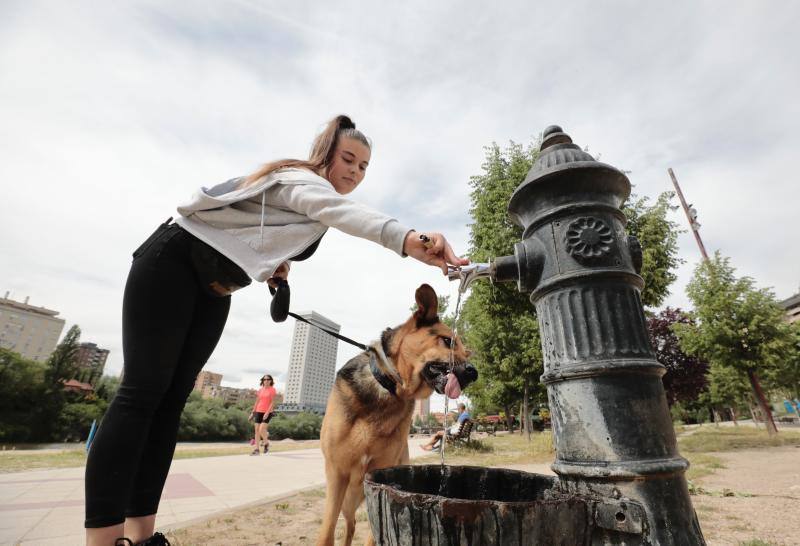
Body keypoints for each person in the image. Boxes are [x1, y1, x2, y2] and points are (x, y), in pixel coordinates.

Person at [83, 114, 470, 546]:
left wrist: (272, 267)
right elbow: (344, 213)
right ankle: (102, 540)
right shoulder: (299, 179)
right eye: (348, 159)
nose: (355, 173)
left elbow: (257, 234)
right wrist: (412, 240)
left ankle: (141, 536)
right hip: (171, 262)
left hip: (215, 287)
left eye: (363, 168)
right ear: (325, 153)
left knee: (171, 402)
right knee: (141, 395)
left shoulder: (311, 204)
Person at [250, 375, 276, 455]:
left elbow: (272, 402)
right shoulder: (260, 390)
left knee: (261, 429)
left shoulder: (272, 390)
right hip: (258, 411)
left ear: (271, 381)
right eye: (265, 379)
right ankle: (257, 449)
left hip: (268, 412)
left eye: (268, 379)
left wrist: (267, 412)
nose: (266, 380)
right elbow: (257, 402)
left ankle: (266, 443)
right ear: (263, 380)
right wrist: (252, 413)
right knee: (257, 431)